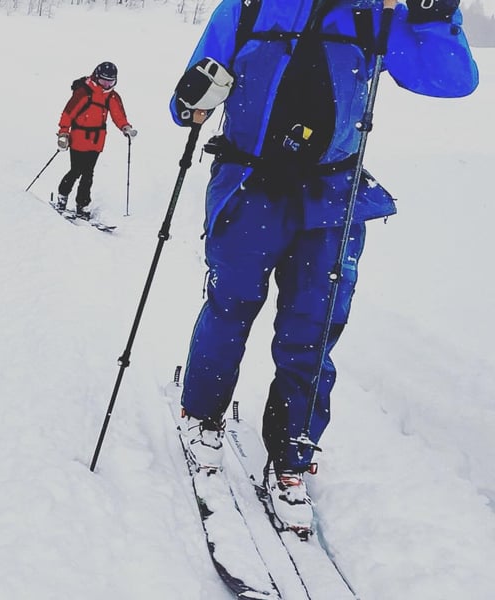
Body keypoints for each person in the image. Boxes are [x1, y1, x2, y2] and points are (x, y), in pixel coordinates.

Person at [170, 0, 477, 533]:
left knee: (312, 327)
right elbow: (187, 101)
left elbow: (451, 80)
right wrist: (190, 102)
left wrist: (434, 14)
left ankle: (291, 453)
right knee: (229, 309)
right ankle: (201, 417)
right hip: (249, 188)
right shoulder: (247, 8)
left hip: (332, 199)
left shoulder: (373, 15)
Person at [55, 61, 137, 220]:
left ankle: (82, 205)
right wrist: (63, 133)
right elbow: (68, 113)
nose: (106, 85)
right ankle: (62, 196)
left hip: (97, 141)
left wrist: (125, 128)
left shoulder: (112, 96)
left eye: (110, 82)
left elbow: (118, 115)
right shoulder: (83, 92)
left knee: (88, 173)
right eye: (103, 81)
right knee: (76, 171)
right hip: (78, 138)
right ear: (96, 77)